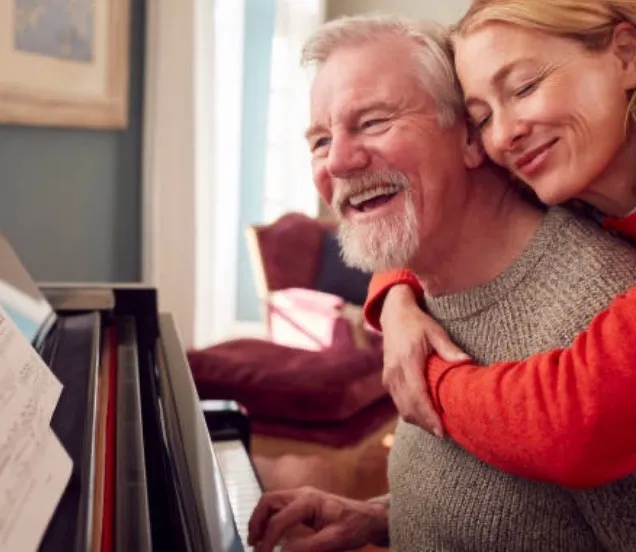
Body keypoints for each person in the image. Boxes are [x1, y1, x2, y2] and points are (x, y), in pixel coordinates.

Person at [249, 15, 636, 552]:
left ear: (471, 141)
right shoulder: (431, 295)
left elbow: (572, 427)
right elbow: (518, 517)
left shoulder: (595, 309)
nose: (337, 161)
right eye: (319, 140)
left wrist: (429, 383)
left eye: (374, 121)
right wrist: (382, 517)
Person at [366, 0, 636, 489]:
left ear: (626, 54)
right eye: (483, 116)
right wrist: (397, 299)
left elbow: (577, 425)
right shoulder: (557, 168)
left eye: (526, 87)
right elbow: (435, 207)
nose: (505, 135)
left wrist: (425, 377)